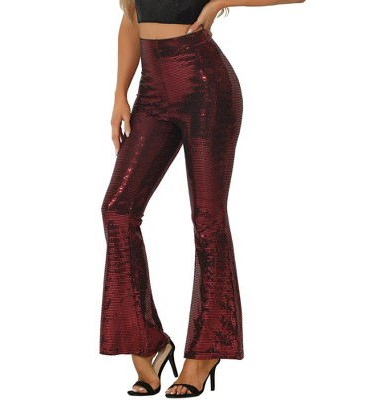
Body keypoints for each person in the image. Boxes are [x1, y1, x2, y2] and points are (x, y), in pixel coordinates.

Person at [100, 0, 305, 397]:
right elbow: (130, 18)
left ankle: (207, 350)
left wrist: (219, 2)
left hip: (205, 86)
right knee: (117, 211)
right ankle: (147, 340)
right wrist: (119, 94)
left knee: (207, 218)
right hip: (152, 91)